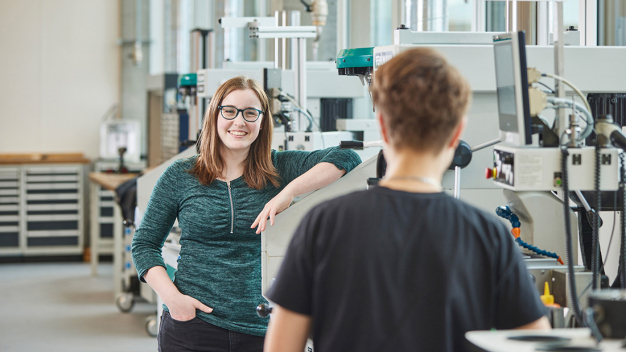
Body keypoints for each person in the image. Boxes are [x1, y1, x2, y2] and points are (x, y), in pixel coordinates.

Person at [263, 48, 551, 352]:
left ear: (383, 126)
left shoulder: (323, 224)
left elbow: (281, 347)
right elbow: (539, 342)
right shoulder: (488, 235)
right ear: (456, 135)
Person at [131, 76, 361, 352]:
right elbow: (144, 244)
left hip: (263, 328)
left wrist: (287, 192)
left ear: (262, 122)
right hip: (192, 326)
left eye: (251, 113)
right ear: (214, 115)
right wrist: (174, 300)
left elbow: (346, 157)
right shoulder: (181, 175)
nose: (239, 122)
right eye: (229, 111)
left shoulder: (279, 167)